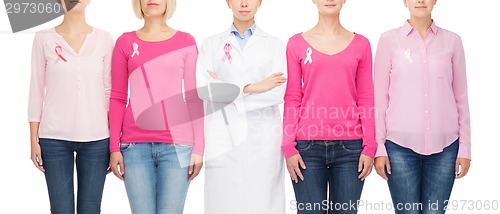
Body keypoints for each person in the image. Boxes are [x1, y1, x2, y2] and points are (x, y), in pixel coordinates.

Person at [374, 0, 471, 213]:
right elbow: (379, 99)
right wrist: (378, 147)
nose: (420, 1)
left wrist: (465, 147)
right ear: (405, 1)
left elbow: (461, 97)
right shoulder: (388, 41)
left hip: (446, 148)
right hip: (399, 147)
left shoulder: (453, 42)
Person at [108, 0, 204, 213]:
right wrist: (114, 147)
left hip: (177, 147)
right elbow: (117, 97)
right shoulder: (125, 42)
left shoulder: (186, 41)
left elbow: (194, 98)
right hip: (134, 147)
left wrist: (199, 148)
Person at [282, 0, 376, 213]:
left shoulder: (361, 44)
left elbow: (366, 98)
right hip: (306, 148)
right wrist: (288, 146)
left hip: (351, 149)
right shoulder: (296, 43)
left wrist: (370, 145)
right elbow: (293, 97)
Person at [196, 0, 287, 213]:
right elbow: (204, 89)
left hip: (263, 137)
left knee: (264, 201)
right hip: (223, 138)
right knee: (224, 202)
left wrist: (226, 93)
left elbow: (276, 93)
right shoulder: (211, 44)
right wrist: (252, 87)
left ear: (260, 2)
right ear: (228, 2)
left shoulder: (274, 44)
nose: (244, 3)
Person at [28, 0, 113, 213]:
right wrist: (33, 140)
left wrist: (114, 145)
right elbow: (36, 91)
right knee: (60, 209)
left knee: (91, 209)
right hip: (53, 139)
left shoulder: (104, 39)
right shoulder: (43, 39)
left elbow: (109, 92)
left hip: (97, 140)